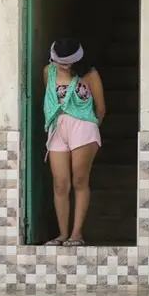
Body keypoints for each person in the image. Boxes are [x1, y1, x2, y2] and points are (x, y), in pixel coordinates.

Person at [42, 38, 105, 247]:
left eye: (68, 61)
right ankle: (62, 234)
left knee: (79, 180)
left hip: (83, 126)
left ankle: (76, 234)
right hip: (57, 127)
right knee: (60, 183)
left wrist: (90, 126)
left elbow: (101, 108)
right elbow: (51, 99)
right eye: (60, 60)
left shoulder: (89, 74)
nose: (63, 64)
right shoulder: (48, 72)